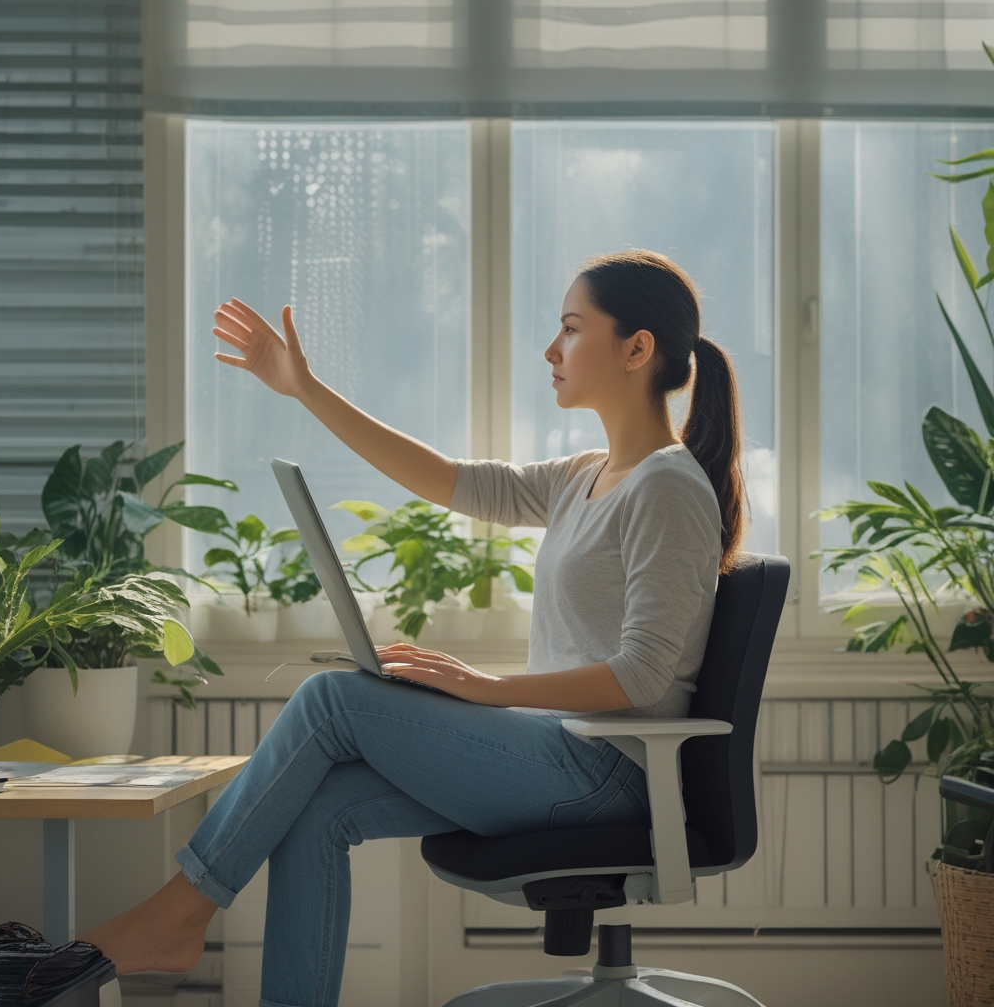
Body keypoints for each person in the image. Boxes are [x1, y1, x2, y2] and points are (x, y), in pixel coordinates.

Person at [82, 249, 747, 1007]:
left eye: (570, 329)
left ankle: (180, 911)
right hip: (560, 755)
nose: (549, 350)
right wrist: (303, 389)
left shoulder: (667, 487)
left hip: (607, 775)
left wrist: (482, 689)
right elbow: (446, 480)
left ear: (637, 349)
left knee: (332, 701)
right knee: (317, 810)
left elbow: (642, 677)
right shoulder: (586, 475)